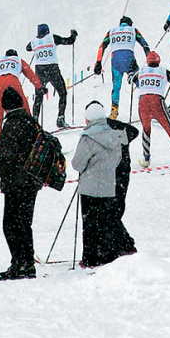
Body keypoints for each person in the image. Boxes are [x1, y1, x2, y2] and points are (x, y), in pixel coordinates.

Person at [71, 100, 136, 268]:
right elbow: (118, 159)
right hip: (108, 185)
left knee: (90, 224)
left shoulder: (87, 137)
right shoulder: (115, 135)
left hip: (89, 187)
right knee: (105, 221)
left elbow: (77, 163)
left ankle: (90, 258)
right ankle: (107, 254)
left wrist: (90, 168)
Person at [0, 88, 41, 278]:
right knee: (25, 223)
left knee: (11, 224)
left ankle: (19, 263)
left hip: (15, 182)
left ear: (5, 106)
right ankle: (27, 263)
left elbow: (6, 157)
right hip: (32, 180)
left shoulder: (11, 125)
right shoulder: (32, 121)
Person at [94, 16, 150, 119]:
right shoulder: (133, 30)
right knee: (141, 83)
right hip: (129, 60)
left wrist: (98, 63)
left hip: (115, 61)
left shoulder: (111, 31)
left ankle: (114, 112)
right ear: (130, 24)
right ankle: (149, 108)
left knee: (116, 87)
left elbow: (102, 47)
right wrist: (149, 58)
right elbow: (145, 45)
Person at [0, 48, 42, 143]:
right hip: (12, 82)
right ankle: (32, 135)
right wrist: (39, 87)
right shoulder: (18, 60)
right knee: (24, 109)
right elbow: (30, 74)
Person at [26, 23, 78, 129]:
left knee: (38, 97)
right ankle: (60, 118)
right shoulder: (52, 38)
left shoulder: (33, 42)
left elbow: (28, 48)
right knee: (62, 93)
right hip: (52, 69)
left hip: (40, 71)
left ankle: (34, 121)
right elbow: (69, 41)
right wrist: (74, 35)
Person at [106, 115, 139, 217]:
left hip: (114, 170)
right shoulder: (109, 124)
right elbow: (134, 131)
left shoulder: (99, 128)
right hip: (123, 169)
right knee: (119, 201)